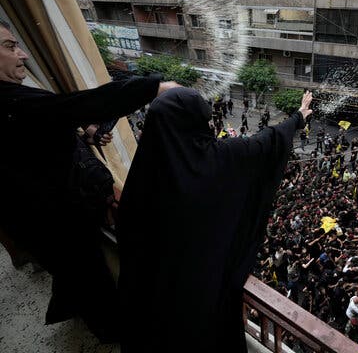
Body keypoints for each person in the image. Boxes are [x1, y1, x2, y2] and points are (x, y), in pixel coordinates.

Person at [0, 19, 182, 342]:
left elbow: (40, 141)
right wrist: (153, 87)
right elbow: (76, 106)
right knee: (92, 287)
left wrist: (88, 133)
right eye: (10, 46)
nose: (23, 54)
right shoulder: (10, 102)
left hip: (48, 222)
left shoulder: (15, 104)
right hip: (55, 225)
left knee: (79, 280)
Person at [116, 89, 313, 352]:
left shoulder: (144, 170)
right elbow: (267, 142)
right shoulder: (219, 158)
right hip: (198, 296)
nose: (211, 125)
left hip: (149, 297)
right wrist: (298, 117)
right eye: (206, 119)